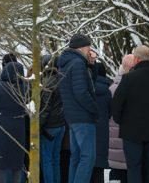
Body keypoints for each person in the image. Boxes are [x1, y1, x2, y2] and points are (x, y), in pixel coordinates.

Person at [112, 45, 149, 183]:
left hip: (131, 131)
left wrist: (122, 120)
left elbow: (116, 105)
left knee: (134, 167)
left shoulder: (128, 79)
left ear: (136, 59)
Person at [57, 33, 98, 183]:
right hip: (83, 117)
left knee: (76, 156)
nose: (90, 49)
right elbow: (82, 92)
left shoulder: (68, 63)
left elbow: (88, 83)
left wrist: (92, 65)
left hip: (71, 116)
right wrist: (94, 108)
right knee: (88, 157)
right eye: (88, 46)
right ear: (82, 47)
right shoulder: (78, 64)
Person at [0, 61, 28, 183]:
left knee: (0, 164)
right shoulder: (25, 89)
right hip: (19, 127)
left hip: (0, 126)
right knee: (17, 162)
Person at [107, 54, 136, 183]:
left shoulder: (112, 88)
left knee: (117, 173)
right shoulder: (136, 89)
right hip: (130, 139)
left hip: (113, 141)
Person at [40, 55, 66, 183]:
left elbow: (45, 107)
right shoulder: (62, 80)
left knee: (47, 160)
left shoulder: (48, 82)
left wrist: (39, 125)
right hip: (61, 125)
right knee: (56, 158)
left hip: (49, 127)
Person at [91, 62, 112, 183]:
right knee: (100, 164)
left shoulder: (88, 88)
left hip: (88, 127)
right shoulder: (107, 91)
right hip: (103, 129)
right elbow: (111, 112)